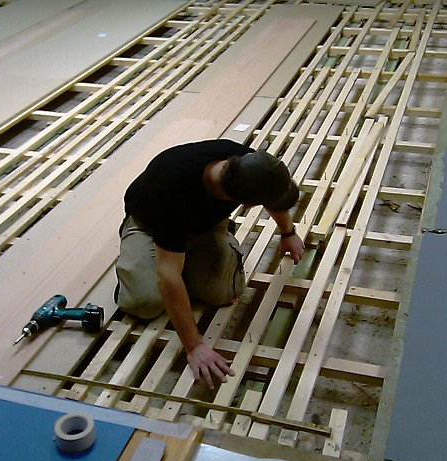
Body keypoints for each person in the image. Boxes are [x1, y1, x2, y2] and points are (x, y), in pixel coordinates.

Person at [115, 139, 305, 389]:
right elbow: (168, 274)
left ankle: (192, 257)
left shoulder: (247, 162)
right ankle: (145, 262)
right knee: (145, 303)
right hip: (150, 226)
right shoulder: (170, 184)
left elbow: (272, 196)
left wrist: (288, 232)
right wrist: (194, 346)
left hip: (204, 225)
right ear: (248, 205)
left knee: (222, 293)